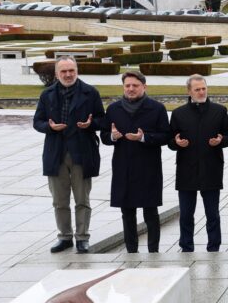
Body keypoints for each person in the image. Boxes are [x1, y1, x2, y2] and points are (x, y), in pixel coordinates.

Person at [33, 56, 105, 254]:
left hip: (81, 152)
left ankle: (82, 237)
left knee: (82, 198)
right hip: (56, 152)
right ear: (57, 74)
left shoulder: (90, 93)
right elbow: (37, 122)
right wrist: (49, 126)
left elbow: (102, 120)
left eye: (71, 70)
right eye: (63, 71)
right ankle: (65, 236)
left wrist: (91, 124)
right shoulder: (47, 94)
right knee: (59, 200)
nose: (68, 74)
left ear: (77, 71)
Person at [100, 71, 170, 253]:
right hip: (124, 167)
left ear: (144, 87)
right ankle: (131, 250)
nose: (131, 89)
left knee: (150, 212)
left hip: (148, 167)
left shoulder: (157, 108)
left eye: (135, 86)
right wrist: (113, 136)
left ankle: (153, 250)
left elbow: (165, 136)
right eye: (127, 86)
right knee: (127, 212)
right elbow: (104, 136)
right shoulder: (114, 109)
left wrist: (143, 137)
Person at [168, 75, 228, 252]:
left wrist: (221, 140)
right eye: (197, 89)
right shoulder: (179, 113)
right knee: (186, 214)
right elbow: (170, 141)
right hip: (186, 170)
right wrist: (177, 143)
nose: (201, 92)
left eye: (204, 88)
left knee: (213, 213)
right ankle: (186, 246)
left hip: (211, 168)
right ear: (189, 92)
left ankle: (214, 246)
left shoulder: (219, 110)